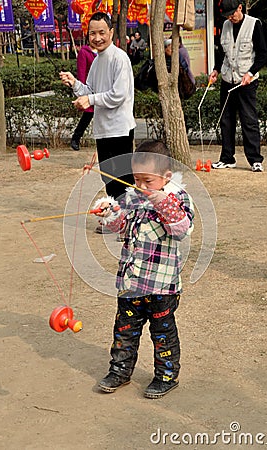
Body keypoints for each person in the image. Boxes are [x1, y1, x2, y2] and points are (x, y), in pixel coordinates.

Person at [92, 140, 194, 399]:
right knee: (124, 331)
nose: (141, 186)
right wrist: (110, 214)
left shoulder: (179, 198)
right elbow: (121, 227)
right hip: (131, 282)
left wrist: (162, 202)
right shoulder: (131, 197)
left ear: (166, 177)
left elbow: (181, 229)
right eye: (137, 179)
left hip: (162, 285)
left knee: (163, 333)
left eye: (147, 181)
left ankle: (166, 375)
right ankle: (120, 371)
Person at [60, 12, 135, 232]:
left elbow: (118, 95)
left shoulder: (119, 58)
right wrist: (74, 83)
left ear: (111, 32)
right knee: (108, 178)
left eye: (102, 32)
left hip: (120, 128)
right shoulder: (97, 60)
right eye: (93, 33)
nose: (97, 38)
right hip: (102, 129)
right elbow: (90, 90)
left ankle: (129, 223)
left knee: (123, 178)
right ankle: (116, 220)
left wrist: (90, 99)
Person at [209, 0, 267, 172]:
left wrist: (251, 73)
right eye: (227, 15)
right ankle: (227, 158)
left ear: (240, 8)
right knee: (226, 121)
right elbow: (222, 52)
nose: (230, 17)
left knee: (249, 120)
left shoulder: (254, 24)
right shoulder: (225, 25)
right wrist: (216, 70)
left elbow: (263, 54)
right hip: (228, 80)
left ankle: (255, 160)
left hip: (246, 81)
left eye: (232, 13)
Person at [70, 40, 97, 151]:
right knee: (88, 115)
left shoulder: (103, 51)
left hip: (101, 89)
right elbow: (81, 71)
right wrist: (82, 90)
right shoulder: (84, 52)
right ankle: (76, 138)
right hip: (89, 89)